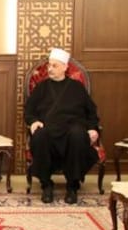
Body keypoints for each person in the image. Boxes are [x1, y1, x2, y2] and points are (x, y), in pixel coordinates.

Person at [24, 48, 100, 204]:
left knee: (78, 135)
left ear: (65, 67)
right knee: (39, 135)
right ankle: (46, 185)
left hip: (73, 128)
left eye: (55, 66)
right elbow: (29, 111)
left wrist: (93, 128)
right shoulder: (41, 87)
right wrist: (34, 121)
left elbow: (91, 112)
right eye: (49, 65)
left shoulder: (77, 87)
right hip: (48, 129)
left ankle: (72, 186)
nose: (50, 69)